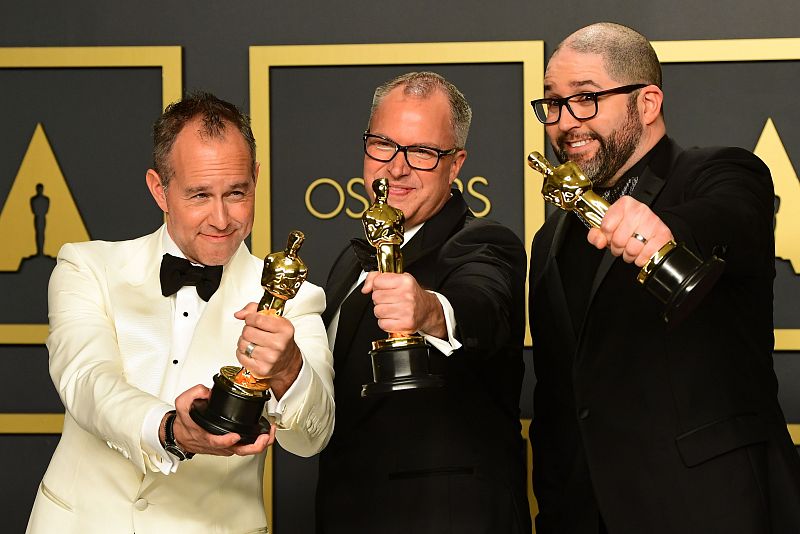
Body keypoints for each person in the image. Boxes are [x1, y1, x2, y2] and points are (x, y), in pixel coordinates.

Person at [528, 22, 800, 533]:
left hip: (706, 509)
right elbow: (559, 396)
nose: (565, 122)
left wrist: (667, 228)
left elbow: (730, 218)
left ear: (647, 103)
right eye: (553, 103)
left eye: (586, 99)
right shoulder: (550, 240)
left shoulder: (720, 173)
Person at [26, 92, 335, 533]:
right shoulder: (87, 267)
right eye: (199, 195)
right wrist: (170, 429)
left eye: (236, 192)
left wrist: (289, 370)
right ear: (160, 190)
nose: (221, 217)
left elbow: (312, 438)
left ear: (256, 179)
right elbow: (88, 381)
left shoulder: (295, 297)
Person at [317, 71, 531, 533]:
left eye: (422, 152)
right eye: (384, 145)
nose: (397, 167)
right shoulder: (347, 262)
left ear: (456, 165)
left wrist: (431, 310)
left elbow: (482, 304)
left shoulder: (485, 244)